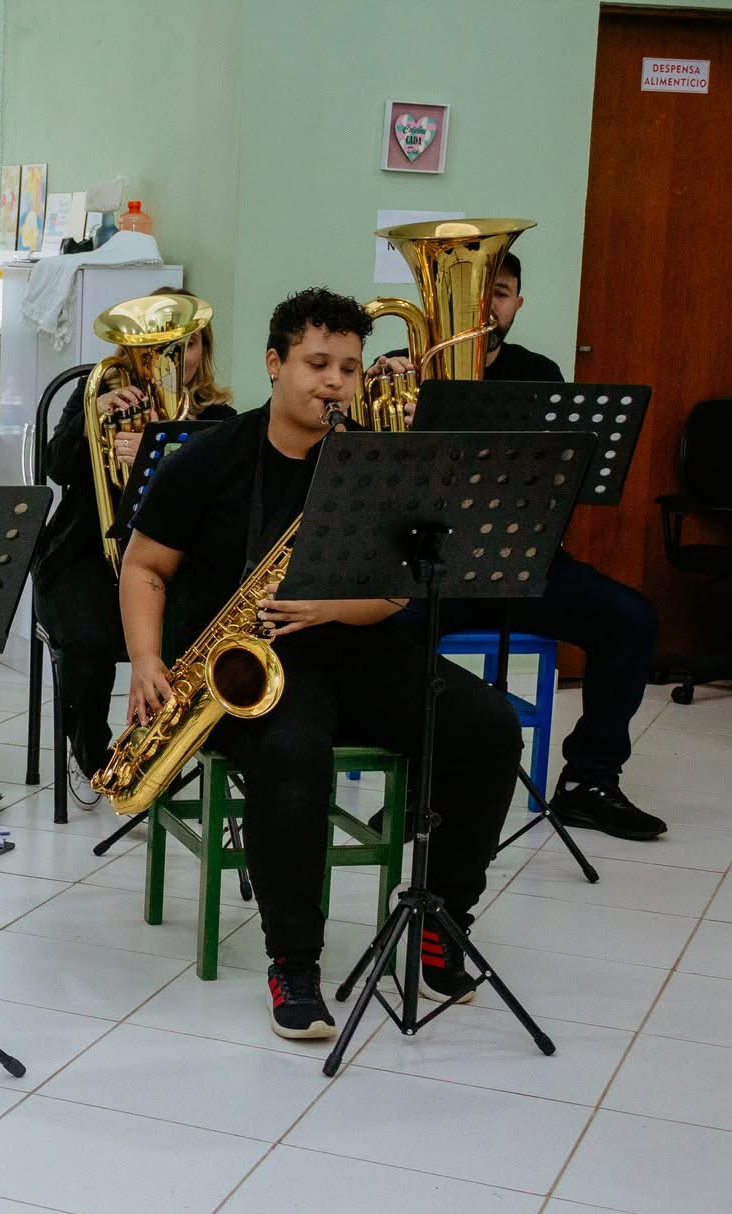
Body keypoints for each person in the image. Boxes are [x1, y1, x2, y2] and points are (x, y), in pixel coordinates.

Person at [120, 287, 522, 1042]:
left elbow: (397, 594)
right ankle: (293, 961)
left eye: (347, 366)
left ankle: (442, 919)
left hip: (357, 646)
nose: (333, 381)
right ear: (273, 364)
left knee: (488, 725)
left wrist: (327, 608)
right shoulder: (209, 459)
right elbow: (143, 566)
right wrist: (146, 659)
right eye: (315, 363)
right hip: (249, 666)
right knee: (292, 752)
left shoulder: (373, 464)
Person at [454, 253, 664, 840]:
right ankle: (424, 782)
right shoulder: (413, 374)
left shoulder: (540, 375)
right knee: (374, 632)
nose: (487, 306)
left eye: (499, 292)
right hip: (433, 570)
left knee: (630, 618)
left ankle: (589, 782)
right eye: (477, 293)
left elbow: (556, 485)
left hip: (525, 565)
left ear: (516, 304)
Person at [34, 290, 236, 799]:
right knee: (88, 634)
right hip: (89, 554)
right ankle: (92, 746)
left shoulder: (219, 415)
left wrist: (173, 445)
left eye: (189, 345)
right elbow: (57, 467)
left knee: (203, 627)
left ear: (203, 351)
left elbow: (229, 489)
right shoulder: (96, 393)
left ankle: (167, 747)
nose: (178, 358)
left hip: (176, 562)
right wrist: (91, 419)